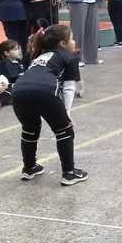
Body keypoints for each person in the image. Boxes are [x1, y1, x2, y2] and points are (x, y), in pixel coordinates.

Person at [12, 24, 88, 186]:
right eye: (72, 38)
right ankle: (69, 173)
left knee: (30, 129)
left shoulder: (39, 56)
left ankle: (29, 167)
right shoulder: (69, 57)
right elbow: (68, 88)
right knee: (65, 130)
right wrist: (66, 113)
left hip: (18, 91)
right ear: (62, 43)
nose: (74, 41)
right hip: (44, 91)